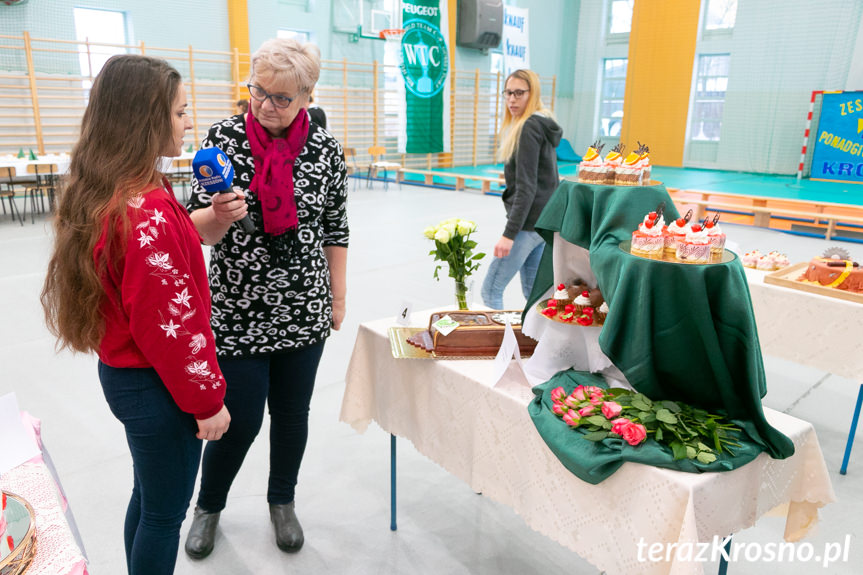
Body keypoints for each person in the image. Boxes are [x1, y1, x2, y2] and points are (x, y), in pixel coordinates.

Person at [40, 55, 231, 575]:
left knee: (149, 497)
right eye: (179, 112)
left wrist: (207, 220)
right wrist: (207, 400)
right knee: (165, 514)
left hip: (128, 376)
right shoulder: (144, 212)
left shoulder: (123, 188)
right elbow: (171, 328)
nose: (187, 121)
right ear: (146, 120)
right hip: (156, 385)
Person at [183, 37, 348, 558]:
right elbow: (194, 230)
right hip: (236, 308)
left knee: (293, 414)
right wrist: (217, 215)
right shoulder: (223, 138)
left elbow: (336, 230)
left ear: (307, 96)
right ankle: (208, 506)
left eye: (281, 98)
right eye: (258, 92)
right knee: (240, 417)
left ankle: (282, 501)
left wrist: (337, 299)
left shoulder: (325, 150)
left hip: (305, 308)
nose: (265, 106)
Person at [481, 69, 562, 310]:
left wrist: (509, 235)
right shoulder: (542, 124)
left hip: (526, 227)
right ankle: (540, 347)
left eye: (519, 93)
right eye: (508, 93)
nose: (512, 100)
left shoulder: (529, 127)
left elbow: (527, 188)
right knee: (534, 295)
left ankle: (498, 347)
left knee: (491, 290)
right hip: (542, 225)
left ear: (532, 93)